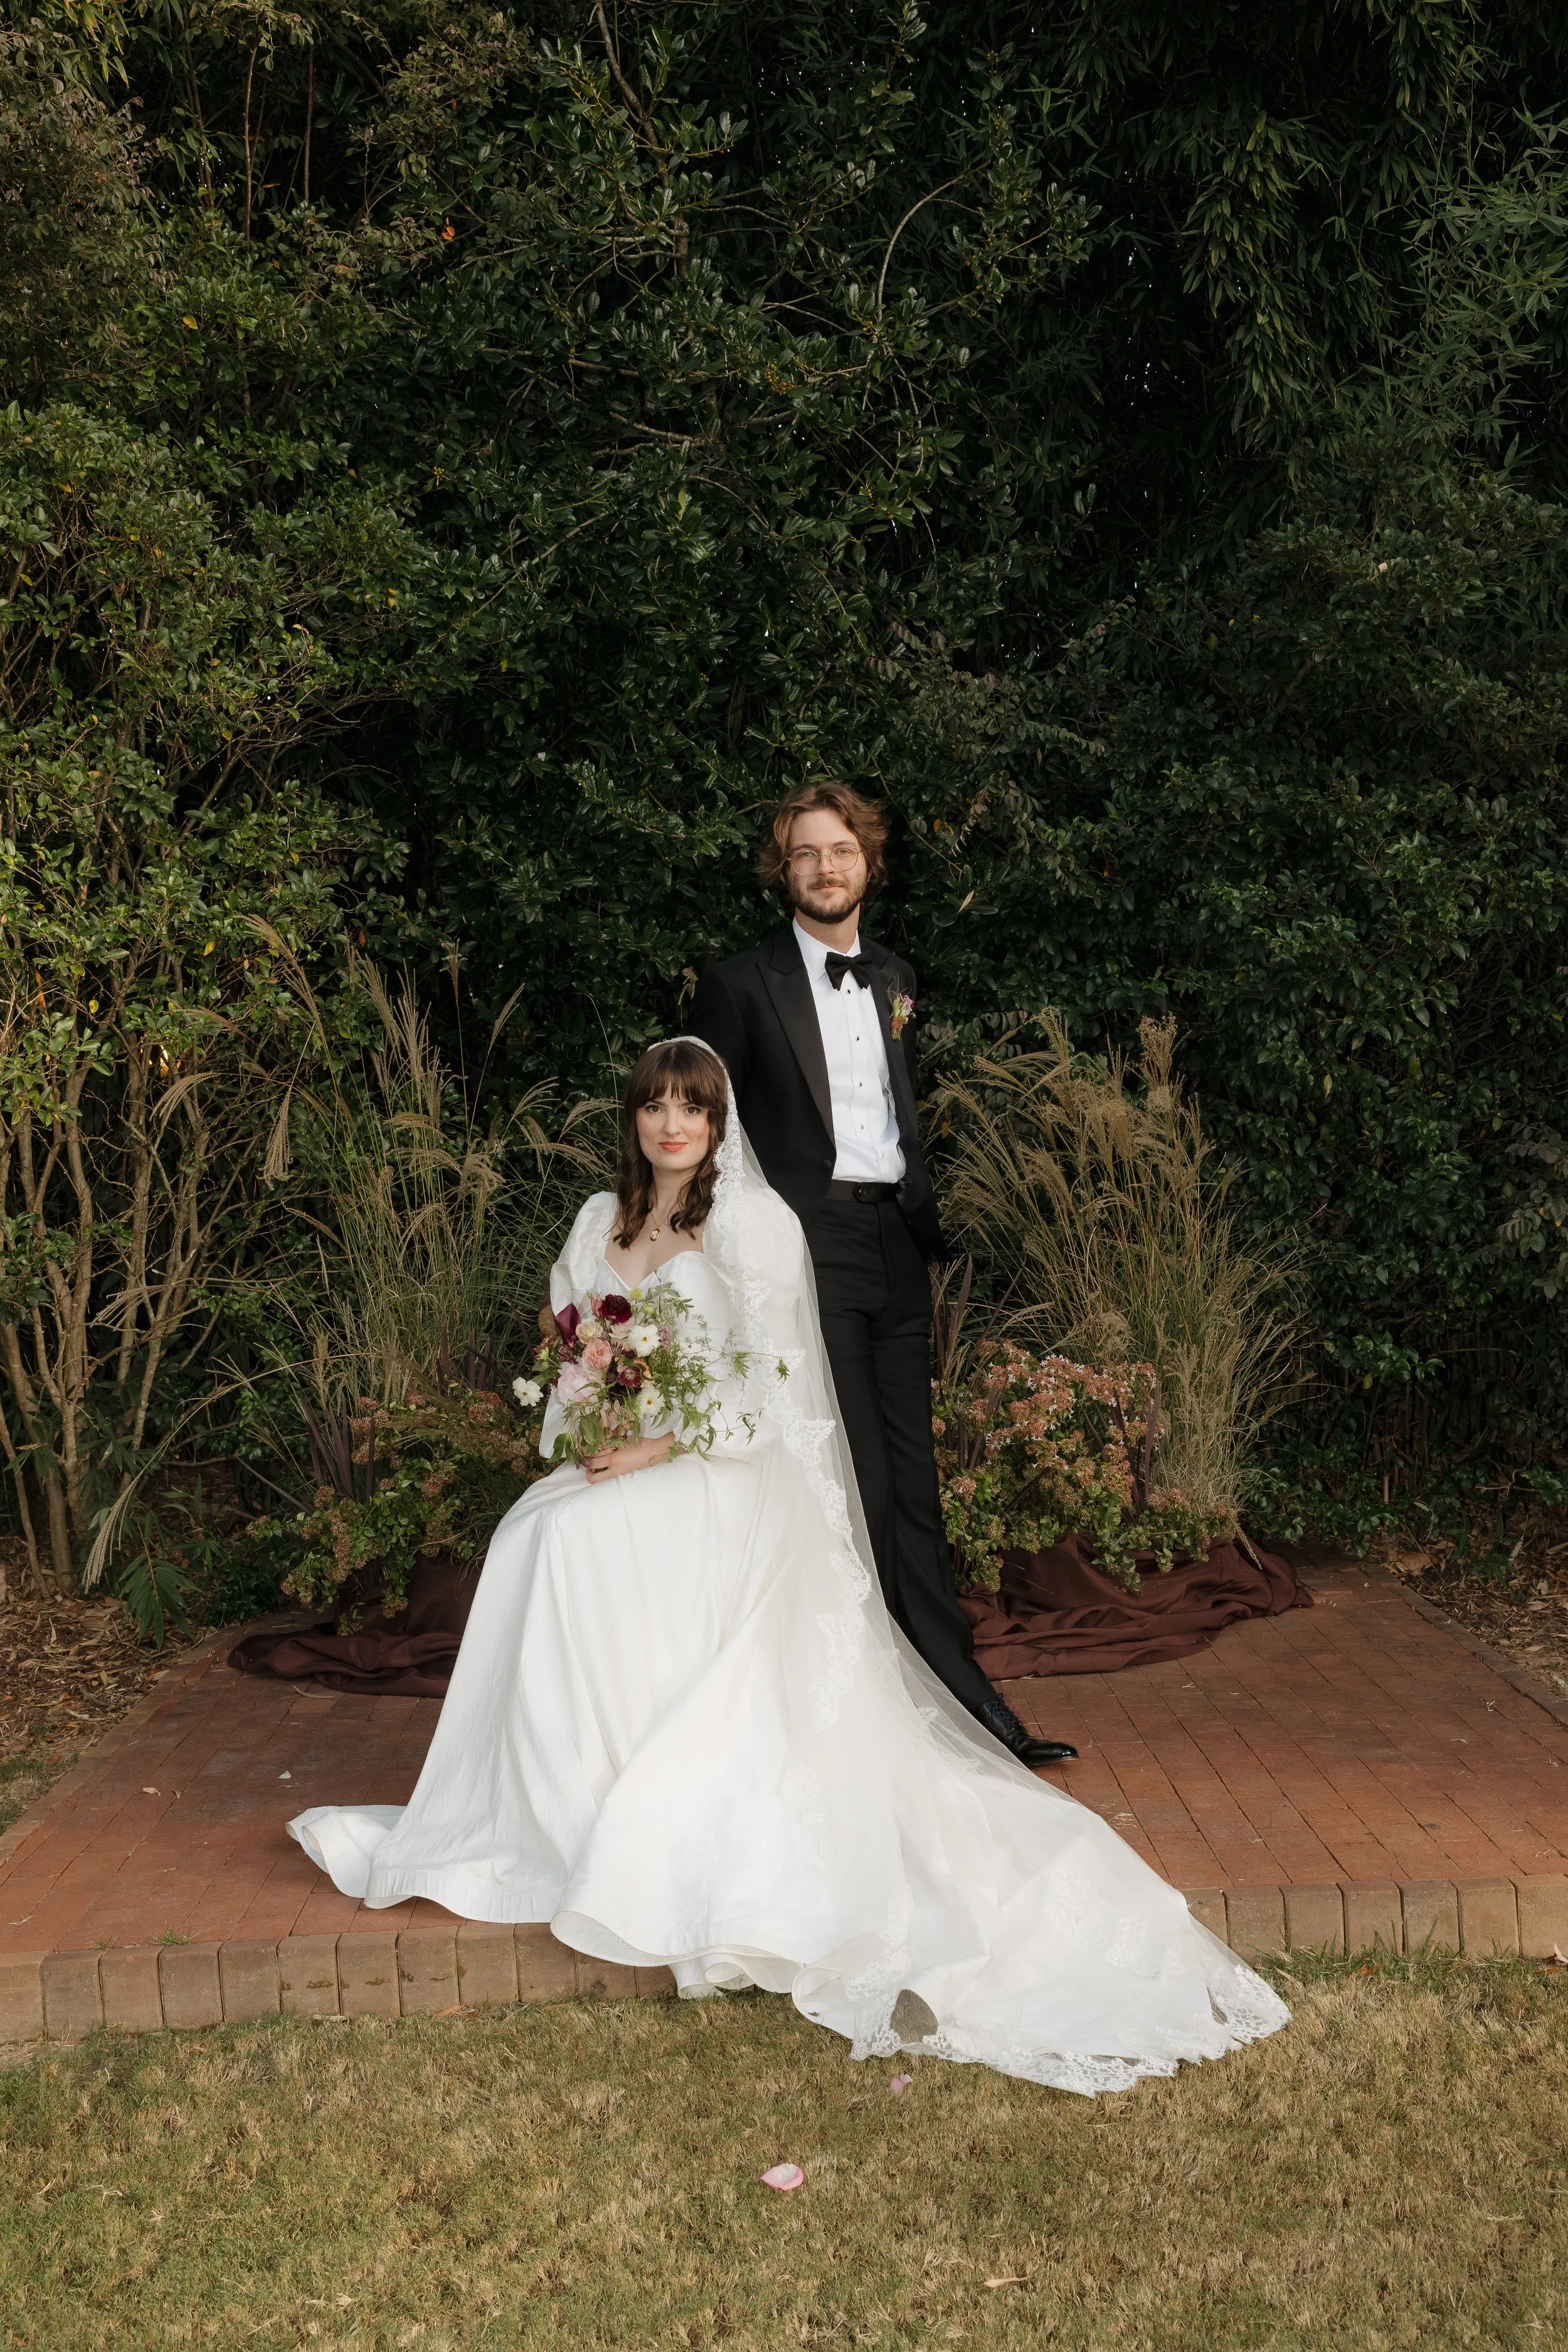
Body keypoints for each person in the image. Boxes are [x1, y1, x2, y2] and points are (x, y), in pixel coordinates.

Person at [289, 1038, 1289, 2091]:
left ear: (719, 1122)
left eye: (692, 1107)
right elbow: (572, 1352)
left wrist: (656, 1445)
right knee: (532, 1531)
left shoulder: (752, 1223)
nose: (672, 1125)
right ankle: (550, 1810)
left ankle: (627, 1813)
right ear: (634, 1118)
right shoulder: (597, 1220)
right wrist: (594, 1413)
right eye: (654, 1106)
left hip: (720, 1466)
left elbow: (772, 1388)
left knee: (575, 1540)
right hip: (625, 1455)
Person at [689, 781, 1076, 1766]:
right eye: (807, 852)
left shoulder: (896, 975)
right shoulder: (739, 984)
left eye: (843, 850)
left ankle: (963, 1698)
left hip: (896, 1240)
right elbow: (703, 1133)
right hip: (804, 1246)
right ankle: (863, 1707)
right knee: (851, 1477)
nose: (826, 868)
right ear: (783, 870)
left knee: (914, 1481)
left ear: (868, 862)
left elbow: (892, 1108)